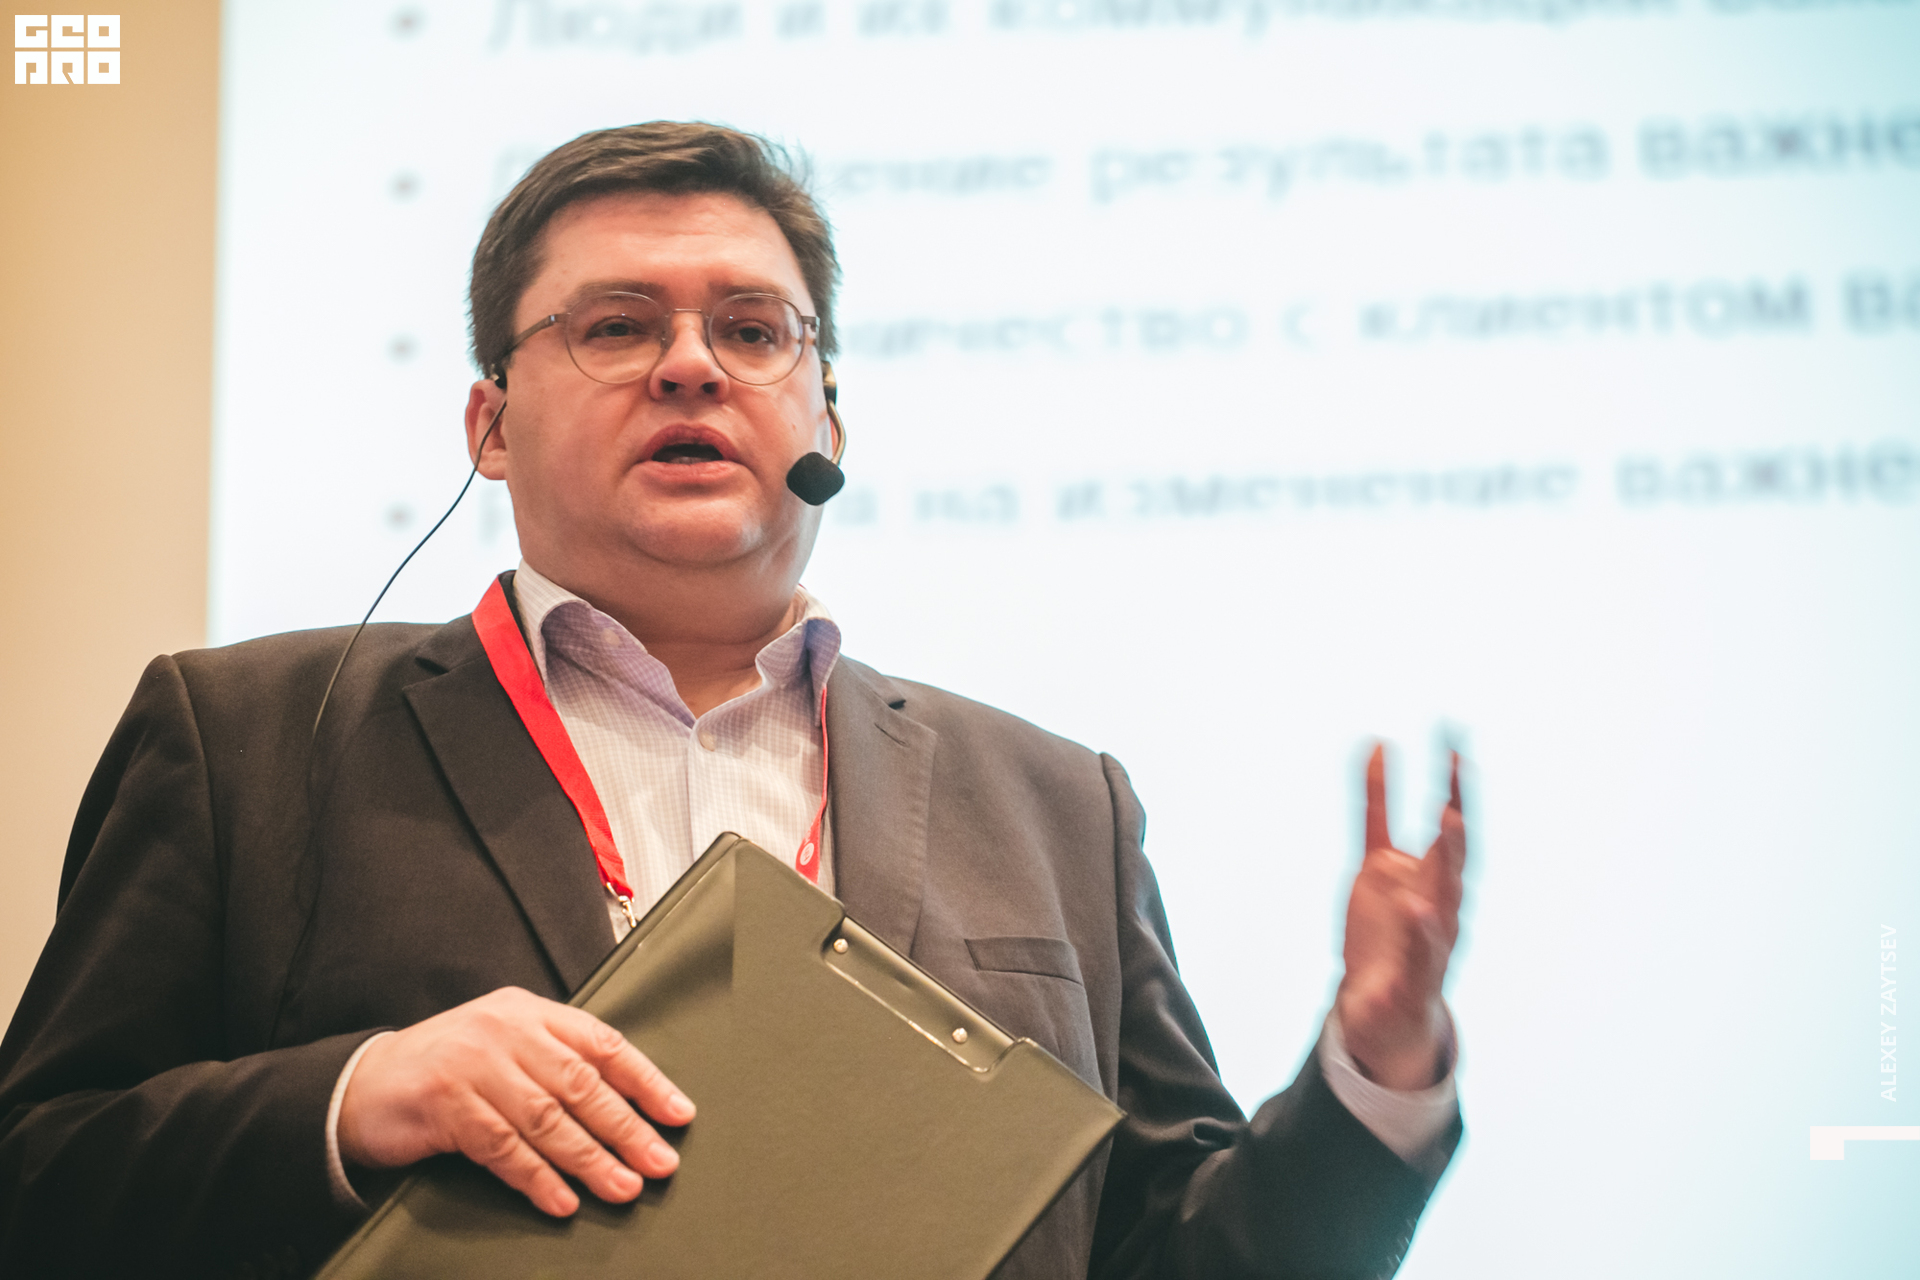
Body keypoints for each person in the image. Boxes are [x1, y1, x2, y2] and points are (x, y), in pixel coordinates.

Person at [0, 122, 1467, 1279]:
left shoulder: (1052, 801)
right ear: (490, 423)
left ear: (829, 420)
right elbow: (38, 1181)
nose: (693, 366)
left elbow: (1178, 1252)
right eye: (616, 326)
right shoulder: (248, 740)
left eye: (756, 332)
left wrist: (1373, 1076)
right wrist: (357, 1100)